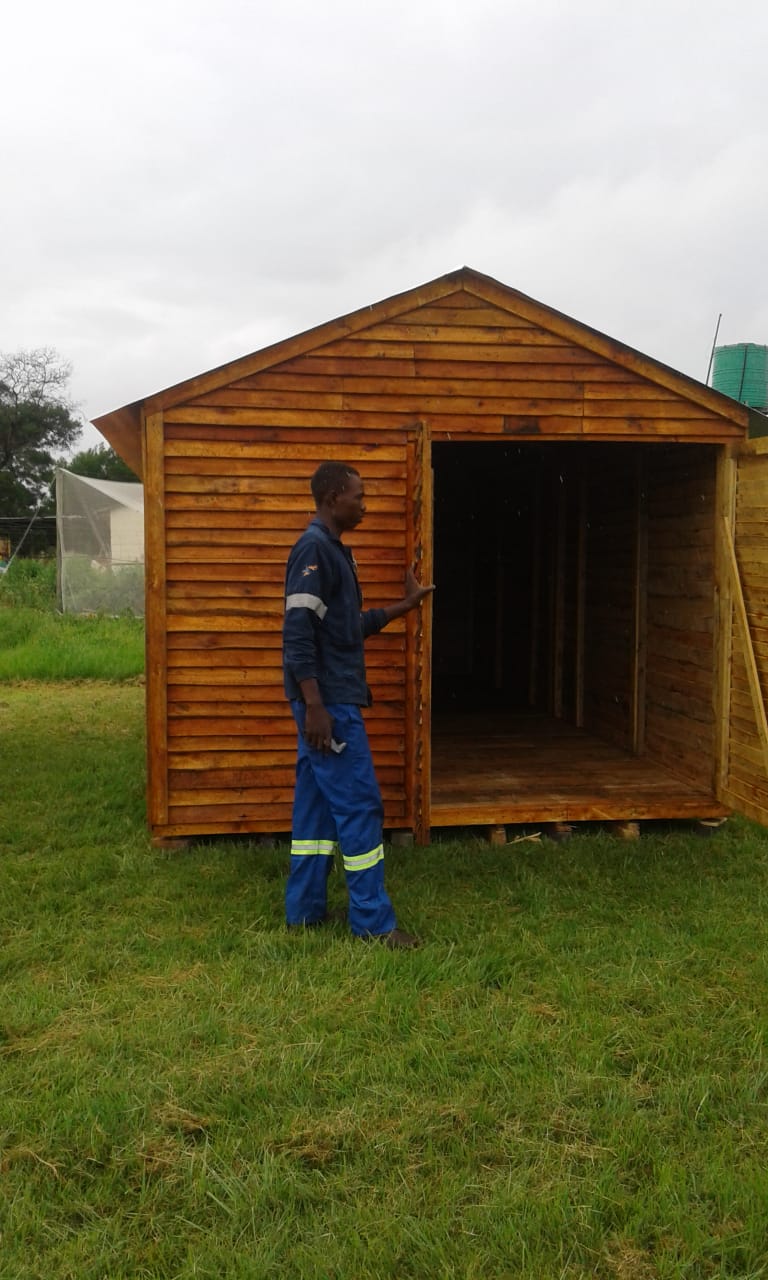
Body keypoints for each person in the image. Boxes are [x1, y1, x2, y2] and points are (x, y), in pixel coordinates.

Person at [282, 461, 434, 949]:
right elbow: (297, 634)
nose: (364, 505)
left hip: (327, 701)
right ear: (333, 498)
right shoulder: (314, 550)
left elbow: (347, 630)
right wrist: (315, 706)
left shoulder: (334, 552)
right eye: (358, 496)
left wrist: (404, 607)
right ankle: (372, 923)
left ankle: (304, 912)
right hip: (330, 705)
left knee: (315, 812)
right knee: (360, 804)